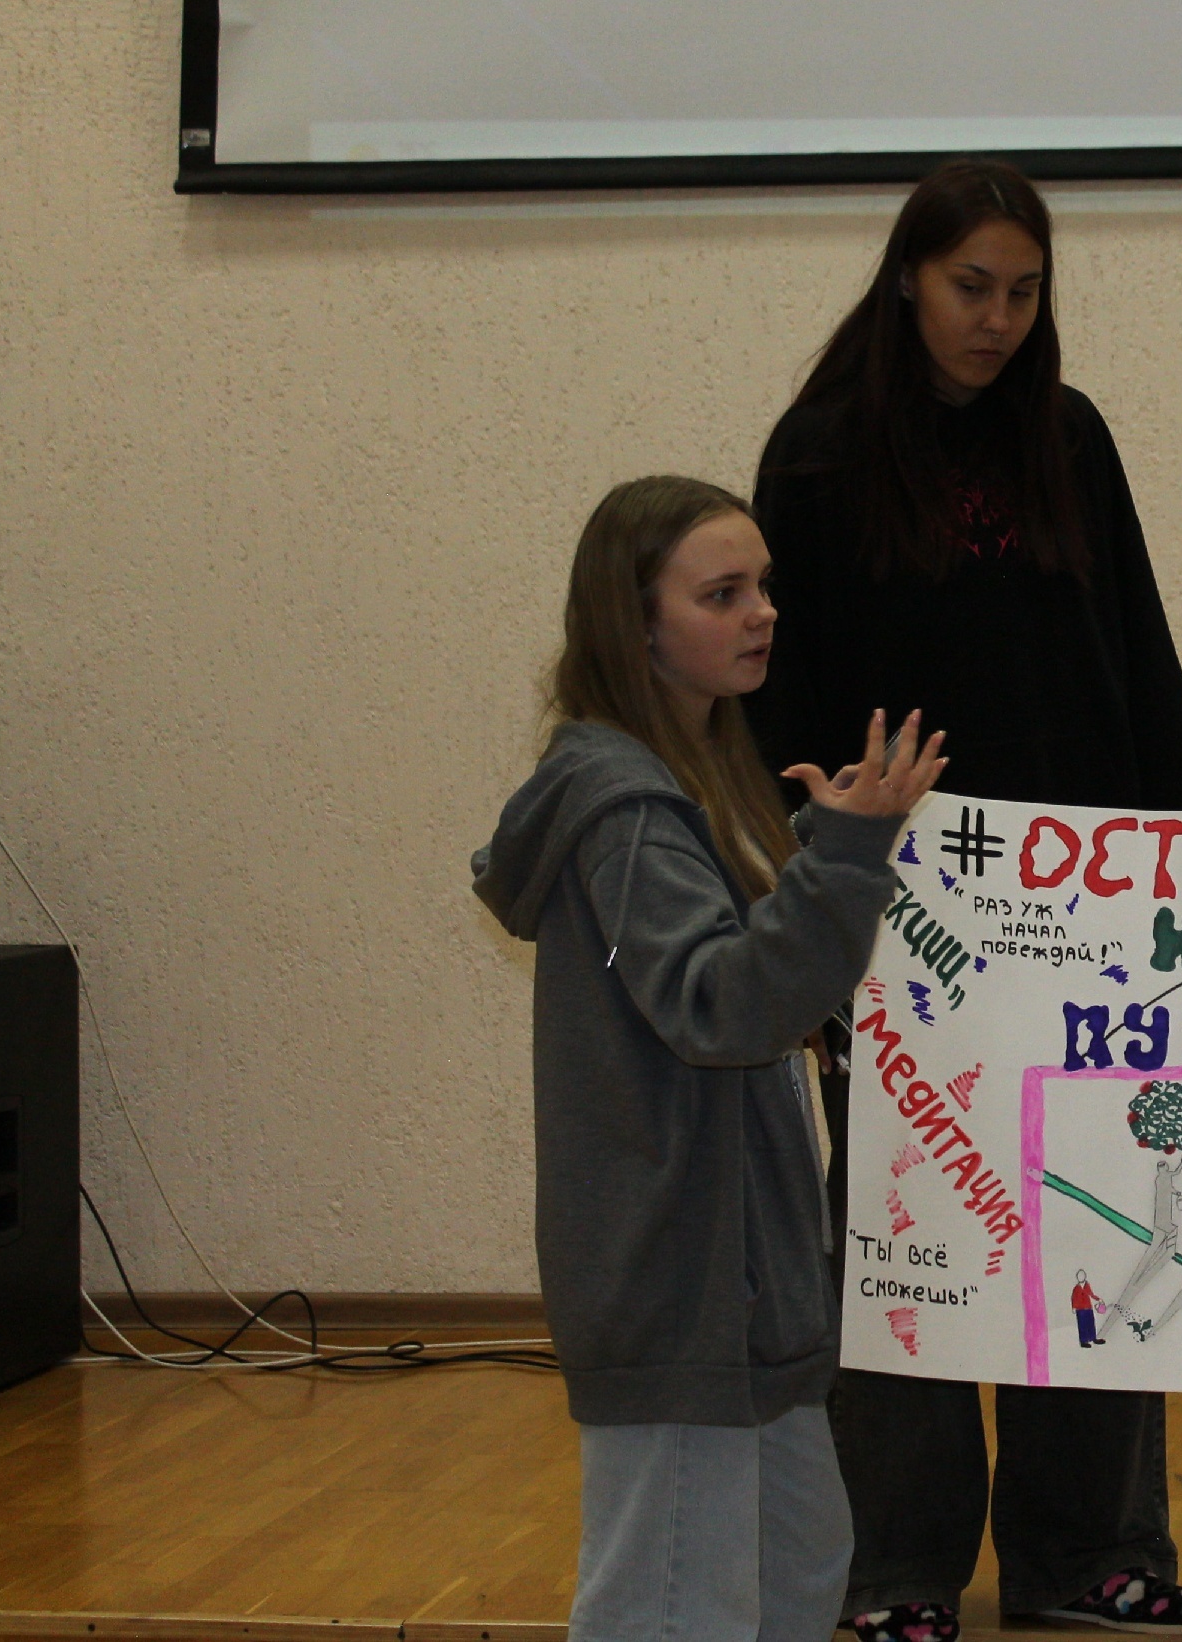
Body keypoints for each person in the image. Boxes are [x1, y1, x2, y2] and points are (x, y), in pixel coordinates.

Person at [743, 161, 1182, 1641]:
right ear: (908, 277)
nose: (997, 318)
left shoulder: (1069, 437)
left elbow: (1138, 655)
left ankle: (1087, 1552)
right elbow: (782, 701)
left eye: (1023, 291)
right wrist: (815, 896)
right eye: (971, 286)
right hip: (906, 915)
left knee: (1104, 1216)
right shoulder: (820, 455)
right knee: (907, 1232)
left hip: (1092, 906)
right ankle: (893, 1571)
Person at [474, 475, 947, 1641]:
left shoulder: (706, 778)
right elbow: (720, 1006)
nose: (762, 612)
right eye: (722, 593)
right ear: (635, 622)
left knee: (798, 1568)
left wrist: (822, 851)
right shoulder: (626, 810)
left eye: (763, 586)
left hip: (751, 1283)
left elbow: (749, 965)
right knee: (673, 1602)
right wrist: (843, 862)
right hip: (680, 1281)